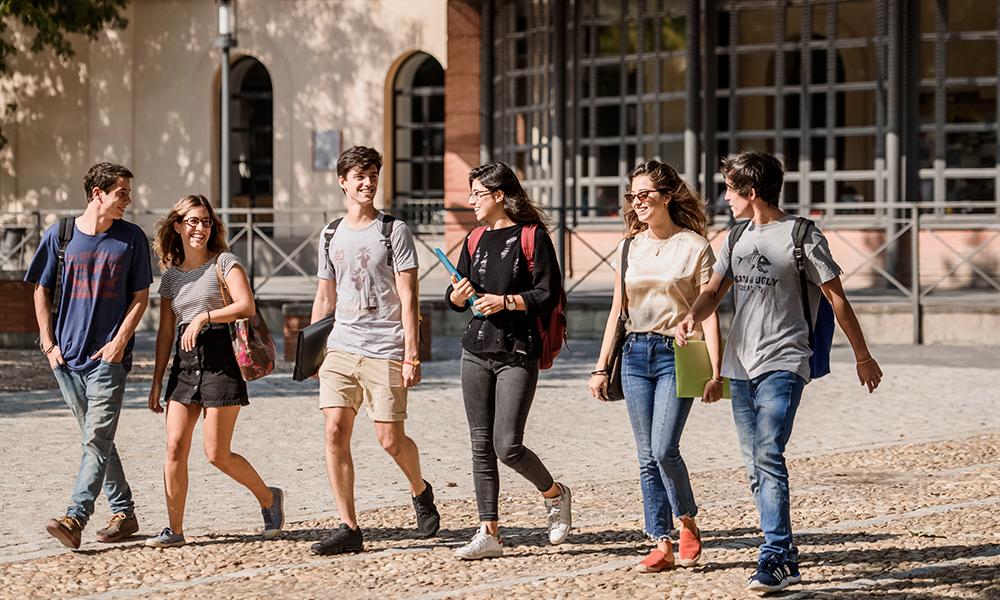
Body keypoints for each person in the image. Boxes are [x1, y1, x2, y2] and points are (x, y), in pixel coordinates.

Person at [676, 151, 883, 594]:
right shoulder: (734, 238)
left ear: (750, 193)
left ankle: (774, 553)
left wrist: (863, 355)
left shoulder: (802, 236)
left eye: (730, 190)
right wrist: (693, 315)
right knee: (755, 464)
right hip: (740, 365)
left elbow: (837, 300)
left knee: (767, 454)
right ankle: (785, 555)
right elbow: (714, 290)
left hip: (786, 361)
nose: (724, 198)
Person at [588, 160, 722, 573]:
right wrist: (599, 366)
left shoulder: (695, 246)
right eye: (633, 195)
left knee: (664, 448)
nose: (638, 202)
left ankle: (687, 521)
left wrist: (716, 373)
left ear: (667, 195)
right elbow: (617, 311)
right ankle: (660, 541)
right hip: (633, 355)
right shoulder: (629, 246)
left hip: (678, 354)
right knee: (646, 455)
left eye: (645, 194)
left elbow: (711, 311)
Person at [308, 146, 440, 556]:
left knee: (389, 439)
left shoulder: (393, 230)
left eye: (372, 176)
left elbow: (409, 296)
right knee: (334, 432)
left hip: (385, 348)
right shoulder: (330, 233)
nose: (367, 183)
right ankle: (349, 527)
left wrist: (411, 354)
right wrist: (313, 352)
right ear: (342, 182)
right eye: (359, 176)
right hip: (342, 347)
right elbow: (324, 295)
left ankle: (420, 490)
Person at [445, 161, 571, 560]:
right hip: (476, 349)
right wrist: (458, 297)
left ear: (499, 195)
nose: (471, 202)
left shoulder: (532, 237)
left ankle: (555, 494)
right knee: (480, 444)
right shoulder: (474, 239)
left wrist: (506, 302)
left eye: (477, 194)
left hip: (518, 349)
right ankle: (489, 533)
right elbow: (453, 301)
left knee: (507, 445)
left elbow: (548, 293)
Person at [145, 195, 283, 548]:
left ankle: (268, 497)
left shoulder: (225, 262)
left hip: (222, 359)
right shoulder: (171, 277)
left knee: (216, 453)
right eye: (192, 221)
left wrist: (205, 316)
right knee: (174, 446)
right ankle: (174, 530)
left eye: (206, 221)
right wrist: (157, 379)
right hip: (185, 364)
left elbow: (245, 305)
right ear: (177, 225)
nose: (200, 228)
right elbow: (164, 332)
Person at [25, 162, 151, 549]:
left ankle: (75, 516)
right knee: (95, 437)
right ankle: (125, 512)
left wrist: (119, 343)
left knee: (96, 437)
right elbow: (40, 290)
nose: (128, 200)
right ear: (98, 193)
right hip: (65, 359)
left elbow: (140, 297)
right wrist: (49, 343)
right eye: (122, 193)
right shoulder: (60, 235)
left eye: (128, 193)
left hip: (107, 360)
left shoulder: (131, 239)